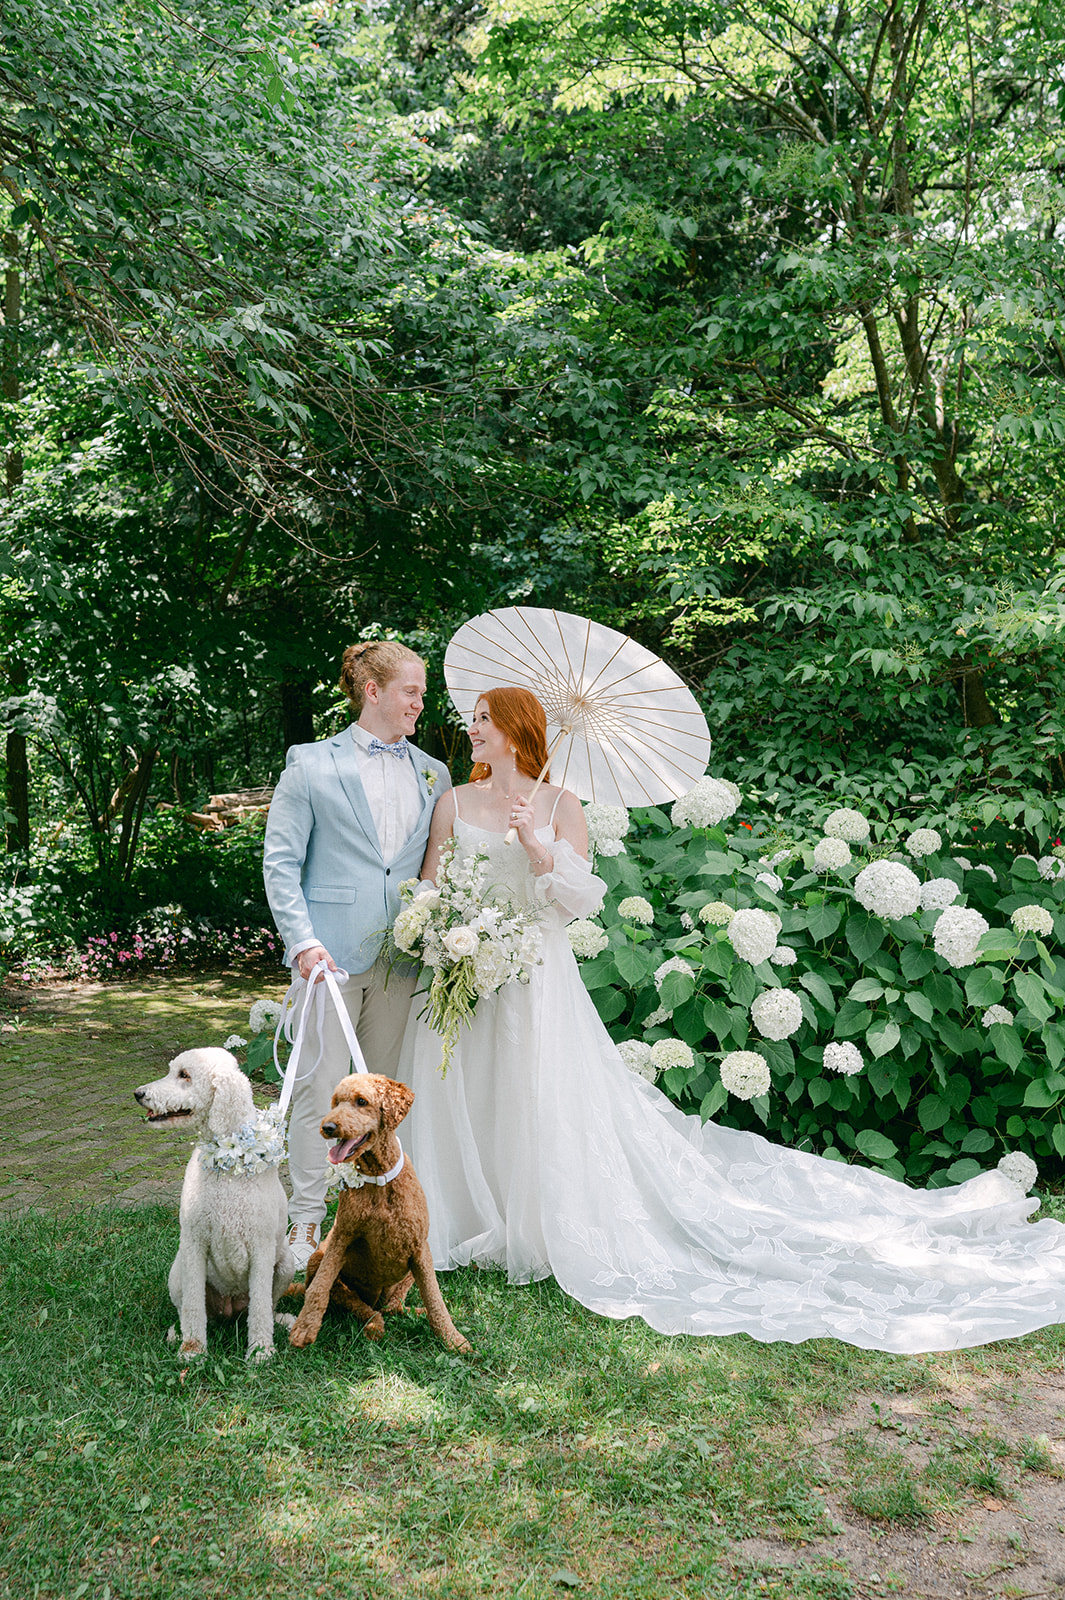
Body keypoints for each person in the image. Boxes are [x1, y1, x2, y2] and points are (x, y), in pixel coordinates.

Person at [394, 686, 1065, 1353]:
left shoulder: (560, 804)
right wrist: (437, 928)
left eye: (483, 719)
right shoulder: (453, 802)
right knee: (461, 1087)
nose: (472, 728)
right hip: (463, 970)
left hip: (534, 975)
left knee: (531, 1093)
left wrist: (538, 848)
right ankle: (457, 1216)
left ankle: (529, 1222)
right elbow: (431, 882)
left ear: (516, 731)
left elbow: (575, 904)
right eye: (474, 718)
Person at [263, 640, 451, 1269]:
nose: (421, 704)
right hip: (328, 961)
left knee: (380, 1106)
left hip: (401, 960)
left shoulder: (434, 772)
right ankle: (304, 1223)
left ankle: (367, 1220)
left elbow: (429, 868)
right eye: (412, 692)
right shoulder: (311, 765)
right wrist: (302, 943)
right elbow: (281, 863)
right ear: (373, 691)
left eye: (422, 693)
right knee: (322, 1094)